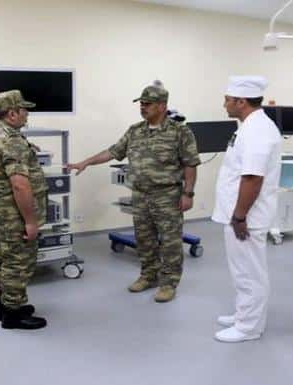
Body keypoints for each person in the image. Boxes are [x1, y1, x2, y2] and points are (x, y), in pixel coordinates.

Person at [68, 82, 201, 302]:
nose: (142, 107)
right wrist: (86, 162)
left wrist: (188, 194)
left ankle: (169, 283)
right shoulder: (135, 131)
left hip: (167, 195)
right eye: (141, 103)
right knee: (144, 239)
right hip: (140, 195)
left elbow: (190, 164)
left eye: (147, 104)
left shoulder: (180, 132)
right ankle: (149, 275)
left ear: (162, 106)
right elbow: (112, 152)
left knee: (170, 241)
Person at [212, 76, 282, 343]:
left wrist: (240, 216)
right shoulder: (250, 126)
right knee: (242, 270)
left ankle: (249, 327)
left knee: (250, 272)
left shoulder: (258, 131)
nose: (224, 104)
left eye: (227, 100)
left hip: (247, 216)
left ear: (241, 102)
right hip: (240, 213)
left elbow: (252, 178)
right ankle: (244, 314)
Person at [0, 90, 48, 330]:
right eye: (24, 110)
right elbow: (20, 185)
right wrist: (30, 221)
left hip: (2, 211)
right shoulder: (12, 140)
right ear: (12, 114)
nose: (27, 114)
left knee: (4, 259)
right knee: (18, 263)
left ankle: (6, 305)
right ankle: (13, 315)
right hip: (16, 214)